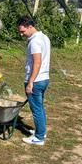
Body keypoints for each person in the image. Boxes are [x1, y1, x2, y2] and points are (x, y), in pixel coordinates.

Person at [17, 16, 51, 146]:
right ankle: (41, 131)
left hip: (36, 81)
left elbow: (37, 62)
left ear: (30, 27)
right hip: (44, 78)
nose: (21, 34)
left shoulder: (34, 41)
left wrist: (30, 81)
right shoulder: (44, 37)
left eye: (22, 31)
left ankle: (38, 138)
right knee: (40, 107)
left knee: (36, 109)